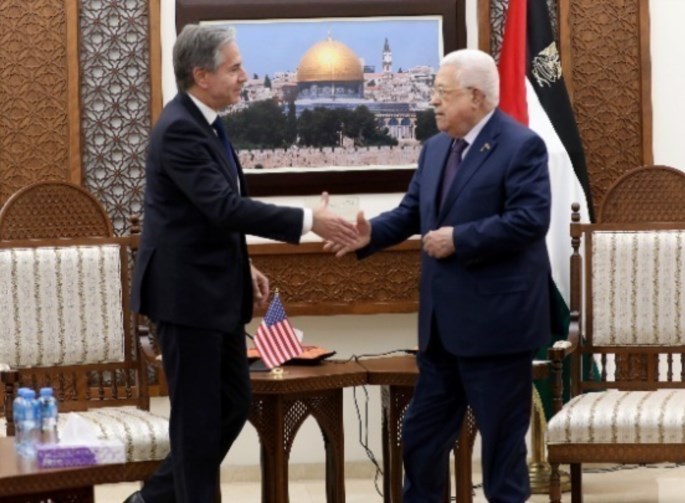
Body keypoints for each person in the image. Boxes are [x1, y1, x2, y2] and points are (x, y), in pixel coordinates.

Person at [126, 24, 357, 503]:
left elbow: (211, 213)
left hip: (216, 292)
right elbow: (222, 207)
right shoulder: (179, 129)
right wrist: (309, 220)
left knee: (232, 404)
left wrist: (243, 263)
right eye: (234, 68)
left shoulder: (210, 122)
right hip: (186, 298)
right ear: (201, 75)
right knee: (197, 422)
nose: (245, 76)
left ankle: (150, 500)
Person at [326, 49, 552, 502]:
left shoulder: (521, 145)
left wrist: (460, 239)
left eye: (442, 93)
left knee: (502, 456)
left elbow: (530, 220)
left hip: (497, 330)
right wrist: (368, 235)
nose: (432, 101)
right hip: (440, 332)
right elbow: (412, 212)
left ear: (475, 96)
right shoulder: (434, 149)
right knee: (421, 441)